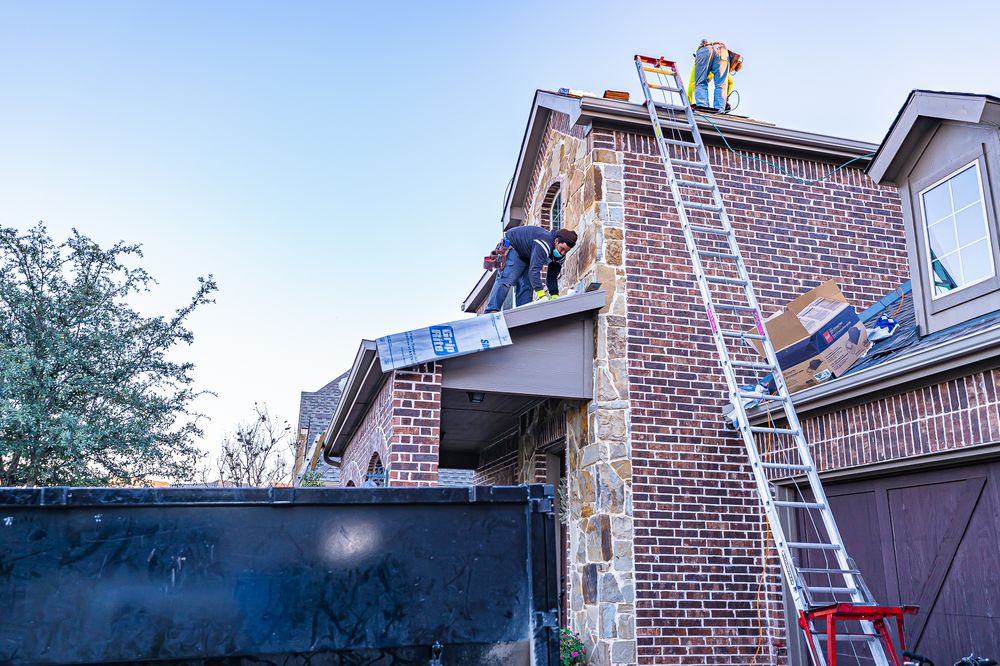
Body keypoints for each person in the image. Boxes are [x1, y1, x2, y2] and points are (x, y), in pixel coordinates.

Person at [484, 226, 577, 313]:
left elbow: (552, 276)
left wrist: (555, 296)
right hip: (515, 247)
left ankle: (522, 315)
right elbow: (534, 271)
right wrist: (542, 296)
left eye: (566, 251)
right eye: (562, 248)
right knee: (508, 278)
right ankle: (491, 311)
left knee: (527, 288)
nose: (562, 253)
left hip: (528, 257)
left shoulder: (560, 257)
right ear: (556, 241)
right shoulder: (545, 242)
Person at [686, 40, 741, 113]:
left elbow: (692, 84)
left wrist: (689, 103)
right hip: (722, 51)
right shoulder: (714, 68)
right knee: (721, 85)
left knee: (700, 83)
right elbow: (730, 82)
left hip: (705, 51)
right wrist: (725, 100)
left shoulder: (699, 66)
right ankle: (720, 109)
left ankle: (703, 106)